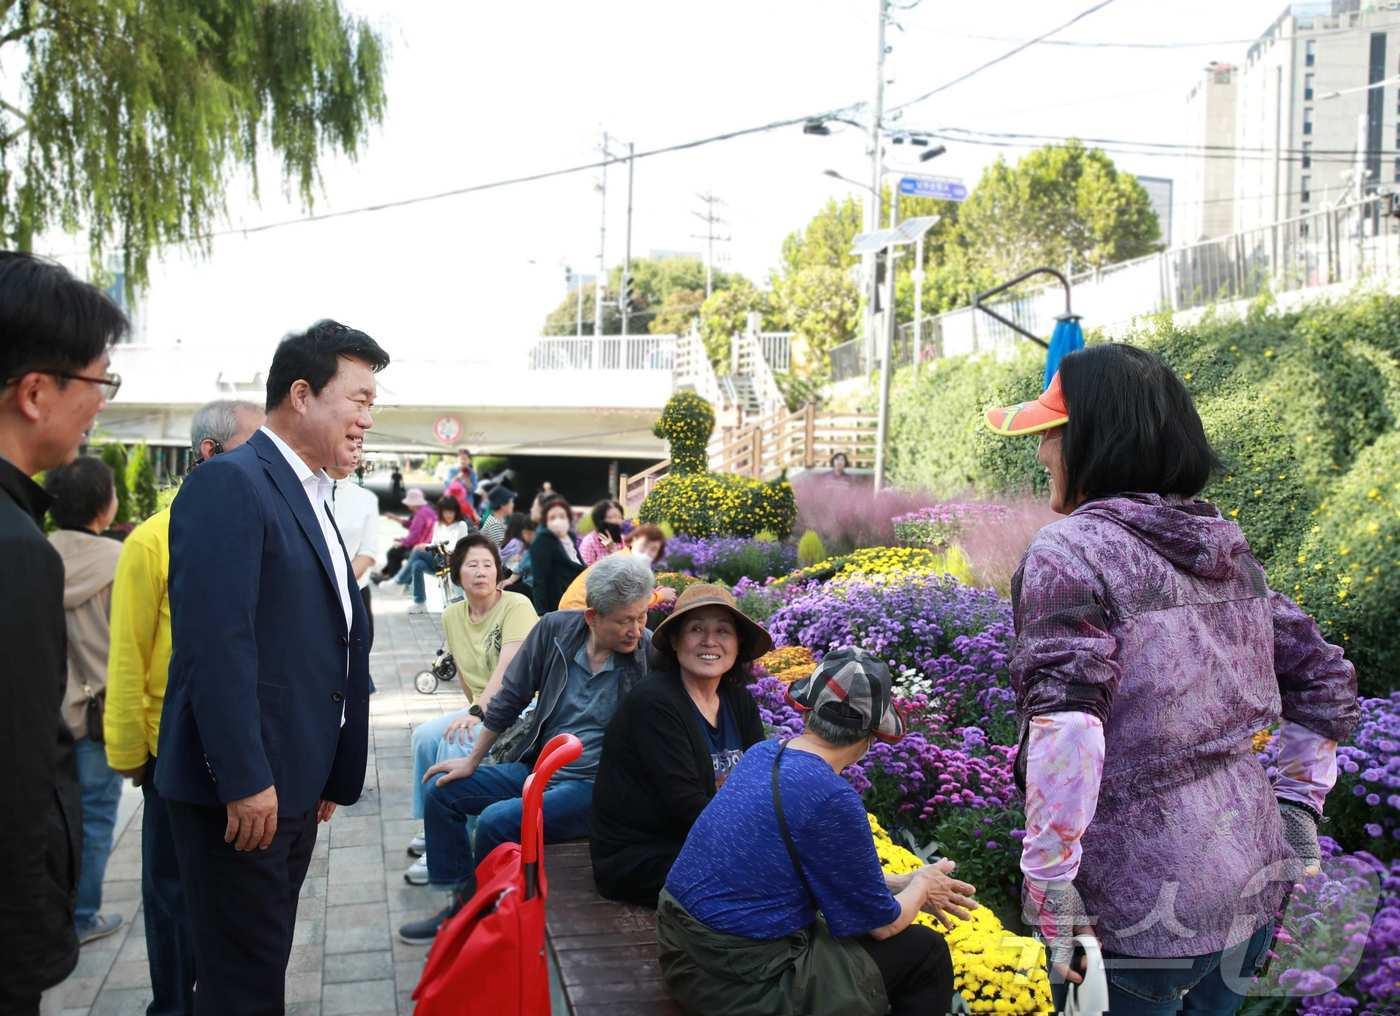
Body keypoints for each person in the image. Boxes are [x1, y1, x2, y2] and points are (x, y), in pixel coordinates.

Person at [982, 345, 1359, 1015]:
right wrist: (1298, 807)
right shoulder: (1222, 546)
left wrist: (1050, 886)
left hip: (1137, 908)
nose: (1042, 453)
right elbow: (1325, 680)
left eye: (1051, 434)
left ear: (1093, 440)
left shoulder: (1069, 552)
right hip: (1247, 880)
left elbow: (1070, 731)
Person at [155, 319, 388, 1014]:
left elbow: (326, 639)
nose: (368, 420)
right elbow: (217, 644)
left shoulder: (315, 494)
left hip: (292, 783)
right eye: (360, 399)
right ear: (302, 395)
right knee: (242, 984)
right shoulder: (232, 483)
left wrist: (324, 770)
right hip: (246, 795)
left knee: (257, 967)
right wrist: (246, 777)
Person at [658, 648, 964, 1016]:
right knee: (924, 953)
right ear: (870, 737)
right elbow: (883, 926)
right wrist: (923, 887)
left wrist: (903, 882)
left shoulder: (761, 754)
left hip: (682, 950)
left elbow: (813, 872)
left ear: (808, 711)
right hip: (737, 984)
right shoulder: (831, 798)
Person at [398, 553, 656, 945]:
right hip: (539, 767)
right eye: (624, 620)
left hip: (593, 788)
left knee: (495, 821)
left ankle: (483, 919)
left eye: (642, 617)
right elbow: (511, 696)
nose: (636, 630)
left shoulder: (648, 655)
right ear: (592, 617)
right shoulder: (554, 630)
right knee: (442, 791)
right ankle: (460, 902)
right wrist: (472, 760)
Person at [105, 399, 264, 1016]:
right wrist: (131, 755)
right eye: (252, 447)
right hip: (169, 755)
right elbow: (127, 656)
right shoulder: (151, 541)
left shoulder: (255, 531)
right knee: (173, 901)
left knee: (231, 903)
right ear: (210, 453)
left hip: (241, 756)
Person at [0, 252, 125, 1014]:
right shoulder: (17, 551)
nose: (102, 406)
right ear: (37, 393)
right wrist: (34, 956)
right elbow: (15, 788)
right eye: (100, 383)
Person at [590, 583, 770, 907]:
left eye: (723, 630)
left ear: (738, 642)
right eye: (696, 629)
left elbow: (761, 784)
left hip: (702, 843)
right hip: (644, 857)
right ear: (675, 640)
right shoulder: (654, 704)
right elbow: (687, 808)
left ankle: (870, 889)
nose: (710, 641)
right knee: (770, 878)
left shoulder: (738, 700)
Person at [402, 534, 539, 885]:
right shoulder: (452, 615)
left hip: (522, 709)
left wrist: (476, 714)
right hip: (481, 706)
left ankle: (451, 846)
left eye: (488, 565)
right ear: (457, 573)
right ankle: (431, 828)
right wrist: (470, 709)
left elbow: (509, 670)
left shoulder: (517, 605)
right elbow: (465, 674)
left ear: (499, 571)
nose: (481, 572)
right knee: (424, 736)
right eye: (472, 565)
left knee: (456, 741)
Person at [45, 457, 125, 947]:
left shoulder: (37, 554)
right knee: (95, 817)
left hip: (45, 718)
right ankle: (82, 916)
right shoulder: (118, 561)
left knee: (52, 820)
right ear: (104, 504)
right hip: (98, 716)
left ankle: (52, 915)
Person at [557, 522, 677, 612]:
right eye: (644, 545)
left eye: (653, 550)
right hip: (577, 614)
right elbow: (630, 603)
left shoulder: (625, 557)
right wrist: (661, 596)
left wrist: (651, 593)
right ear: (633, 540)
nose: (647, 553)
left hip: (580, 610)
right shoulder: (625, 564)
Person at [330, 448, 381, 647]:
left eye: (358, 447)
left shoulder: (366, 499)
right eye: (348, 443)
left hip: (354, 592)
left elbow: (368, 552)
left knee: (356, 661)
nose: (354, 452)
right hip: (310, 594)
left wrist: (339, 584)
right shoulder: (303, 491)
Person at [397, 495, 471, 614]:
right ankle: (419, 603)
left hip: (453, 562)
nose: (448, 515)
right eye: (445, 512)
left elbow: (460, 546)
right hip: (438, 561)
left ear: (456, 511)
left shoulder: (461, 525)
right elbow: (433, 544)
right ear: (441, 512)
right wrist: (426, 546)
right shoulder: (438, 525)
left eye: (451, 512)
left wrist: (438, 547)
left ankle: (399, 581)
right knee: (417, 564)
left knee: (417, 553)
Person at [529, 494, 585, 613]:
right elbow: (539, 580)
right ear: (546, 521)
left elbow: (578, 565)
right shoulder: (542, 541)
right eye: (552, 517)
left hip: (578, 599)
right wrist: (541, 613)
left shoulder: (571, 538)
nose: (558, 520)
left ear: (568, 519)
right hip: (557, 604)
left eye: (561, 516)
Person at [371, 487, 435, 583]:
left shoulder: (420, 515)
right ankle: (384, 574)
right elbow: (411, 525)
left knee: (392, 553)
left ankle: (395, 580)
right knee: (396, 550)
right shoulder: (427, 511)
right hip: (427, 544)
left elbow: (415, 536)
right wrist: (395, 518)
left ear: (412, 504)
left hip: (420, 546)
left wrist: (402, 543)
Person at [498, 512, 536, 598]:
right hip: (527, 583)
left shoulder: (512, 541)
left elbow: (521, 566)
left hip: (529, 586)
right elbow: (521, 567)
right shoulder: (519, 543)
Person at [578, 498, 624, 565]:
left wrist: (613, 550)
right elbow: (586, 572)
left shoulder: (620, 538)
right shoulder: (590, 542)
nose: (617, 521)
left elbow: (625, 566)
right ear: (600, 520)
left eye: (620, 517)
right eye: (611, 517)